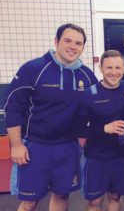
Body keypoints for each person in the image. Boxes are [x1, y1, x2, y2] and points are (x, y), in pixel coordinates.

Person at [4, 23, 98, 211]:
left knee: (61, 196)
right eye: (68, 40)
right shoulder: (33, 69)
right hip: (34, 147)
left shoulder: (87, 76)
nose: (73, 46)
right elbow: (12, 108)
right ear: (56, 42)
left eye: (78, 43)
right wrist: (16, 145)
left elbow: (99, 108)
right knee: (30, 202)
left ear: (83, 48)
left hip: (68, 148)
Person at [75, 50, 124, 211]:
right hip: (96, 158)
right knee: (95, 201)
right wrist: (104, 128)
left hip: (120, 156)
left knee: (115, 196)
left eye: (118, 68)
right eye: (109, 68)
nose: (114, 72)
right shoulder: (89, 94)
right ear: (101, 68)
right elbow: (77, 128)